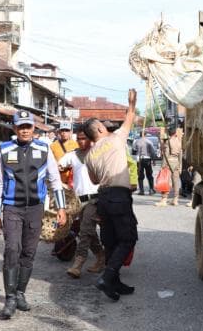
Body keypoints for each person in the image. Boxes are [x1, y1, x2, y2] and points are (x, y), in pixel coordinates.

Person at [0, 110, 67, 320]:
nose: (25, 130)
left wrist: (61, 208)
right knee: (12, 249)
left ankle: (20, 293)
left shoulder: (44, 149)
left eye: (28, 126)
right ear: (15, 129)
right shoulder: (4, 149)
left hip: (35, 208)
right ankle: (9, 298)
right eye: (21, 127)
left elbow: (54, 179)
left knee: (29, 252)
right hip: (11, 207)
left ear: (34, 128)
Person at [83, 90, 138, 301]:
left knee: (112, 242)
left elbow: (95, 180)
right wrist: (131, 104)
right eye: (102, 124)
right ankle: (107, 277)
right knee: (128, 238)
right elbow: (130, 117)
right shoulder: (115, 139)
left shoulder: (89, 155)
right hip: (118, 197)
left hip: (103, 199)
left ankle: (114, 282)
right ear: (99, 128)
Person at [59, 128, 105, 279]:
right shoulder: (72, 155)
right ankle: (100, 256)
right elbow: (58, 167)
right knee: (87, 230)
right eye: (78, 138)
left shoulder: (98, 153)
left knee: (85, 229)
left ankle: (78, 263)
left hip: (96, 198)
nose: (81, 141)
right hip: (79, 200)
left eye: (84, 138)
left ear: (91, 139)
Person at [50, 121, 80, 255]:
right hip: (57, 184)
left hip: (73, 183)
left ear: (71, 132)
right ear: (58, 132)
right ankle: (57, 239)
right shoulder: (53, 146)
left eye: (67, 130)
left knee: (73, 214)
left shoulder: (76, 145)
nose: (64, 133)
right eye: (62, 130)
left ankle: (71, 239)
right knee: (57, 211)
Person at [156, 125, 183, 206]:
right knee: (176, 181)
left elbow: (166, 155)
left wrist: (163, 166)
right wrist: (180, 166)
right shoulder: (178, 142)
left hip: (169, 163)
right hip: (177, 162)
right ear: (175, 133)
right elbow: (180, 155)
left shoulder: (168, 141)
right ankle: (175, 199)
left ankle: (164, 199)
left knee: (166, 180)